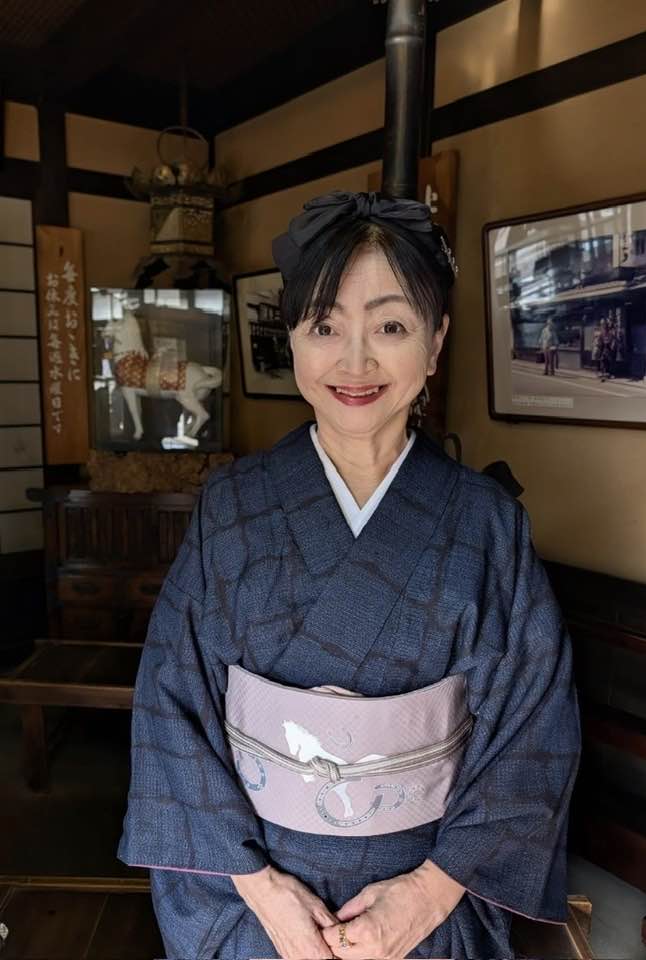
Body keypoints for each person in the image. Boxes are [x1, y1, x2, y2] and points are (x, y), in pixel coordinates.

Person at [117, 190, 581, 959]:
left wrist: (429, 894)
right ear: (293, 340)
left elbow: (532, 727)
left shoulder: (487, 522)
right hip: (249, 896)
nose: (354, 361)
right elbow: (172, 701)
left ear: (434, 342)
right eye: (324, 326)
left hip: (425, 903)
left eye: (390, 327)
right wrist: (260, 891)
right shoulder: (231, 506)